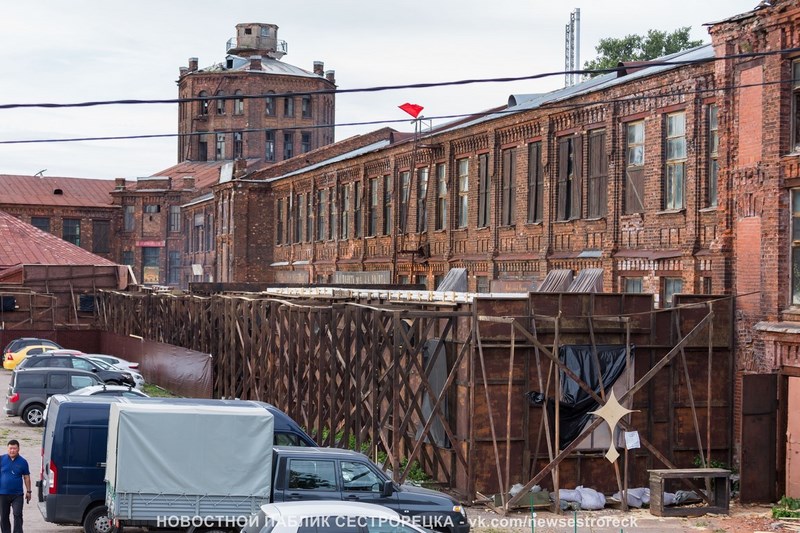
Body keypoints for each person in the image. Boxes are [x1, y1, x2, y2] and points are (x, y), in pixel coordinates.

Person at [0, 440, 31, 533]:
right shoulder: (1, 459)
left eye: (14, 448)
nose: (12, 450)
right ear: (7, 449)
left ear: (18, 449)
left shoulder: (23, 462)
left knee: (17, 514)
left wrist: (29, 491)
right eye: (10, 448)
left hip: (17, 494)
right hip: (2, 494)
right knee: (4, 516)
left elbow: (26, 477)